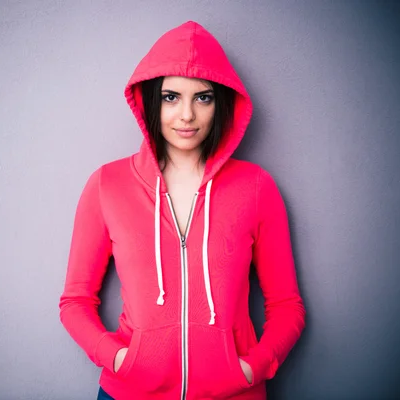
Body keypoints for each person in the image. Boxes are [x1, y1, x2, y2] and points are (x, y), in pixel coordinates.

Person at [59, 21, 306, 400]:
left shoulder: (256, 187)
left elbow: (286, 306)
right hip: (130, 393)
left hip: (233, 394)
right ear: (151, 100)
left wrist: (250, 369)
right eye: (171, 97)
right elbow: (74, 301)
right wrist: (119, 359)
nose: (186, 115)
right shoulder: (107, 185)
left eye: (202, 97)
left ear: (220, 102)